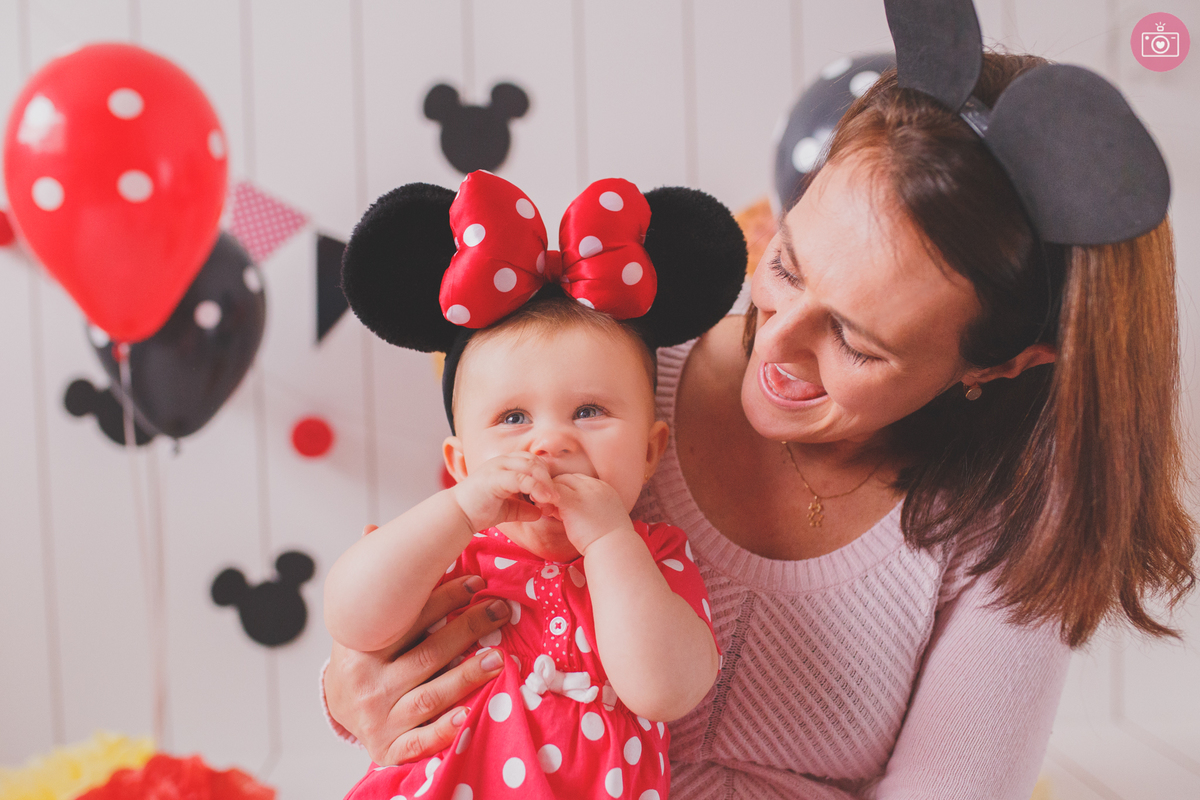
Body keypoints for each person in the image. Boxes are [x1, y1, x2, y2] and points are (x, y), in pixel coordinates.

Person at [322, 12, 1196, 800]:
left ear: (1000, 366)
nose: (773, 348)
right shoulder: (599, 383)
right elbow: (410, 602)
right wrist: (353, 684)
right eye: (785, 267)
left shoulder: (1004, 523)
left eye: (855, 342)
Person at [326, 171, 747, 799]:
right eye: (513, 419)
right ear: (462, 463)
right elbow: (354, 619)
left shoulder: (654, 559)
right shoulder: (449, 551)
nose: (548, 444)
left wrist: (609, 540)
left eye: (589, 412)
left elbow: (668, 691)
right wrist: (459, 512)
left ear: (651, 451)